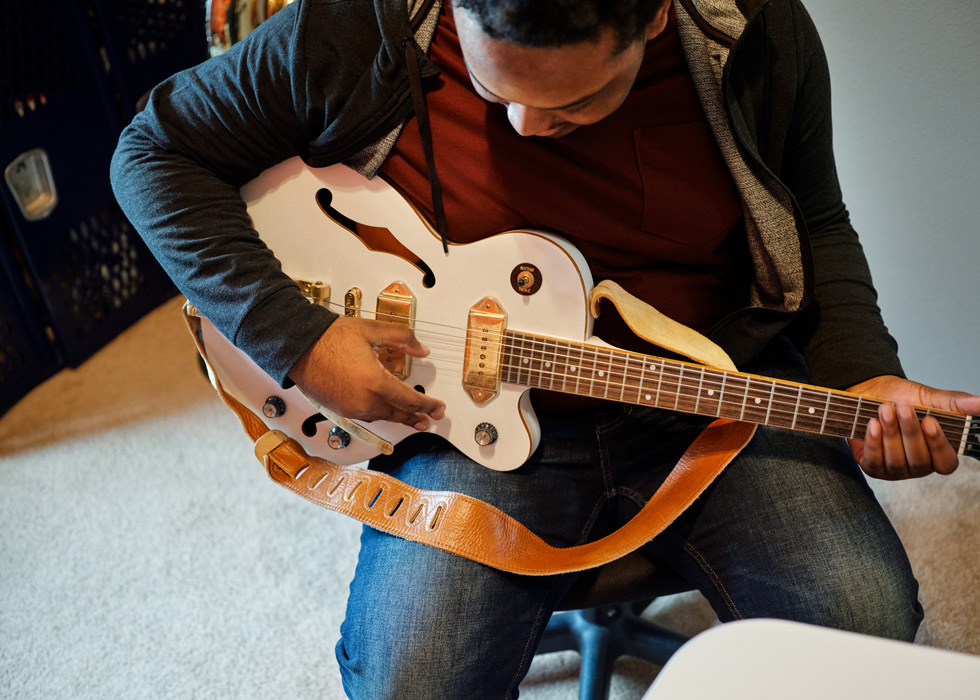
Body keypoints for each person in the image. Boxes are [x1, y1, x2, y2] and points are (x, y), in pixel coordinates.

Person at [110, 0, 980, 697]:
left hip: (710, 396)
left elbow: (816, 220)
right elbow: (152, 152)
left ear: (650, 18)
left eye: (574, 103)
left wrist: (865, 372)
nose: (524, 125)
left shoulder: (758, 33)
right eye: (496, 91)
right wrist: (300, 339)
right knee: (409, 684)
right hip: (463, 419)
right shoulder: (365, 21)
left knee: (866, 635)